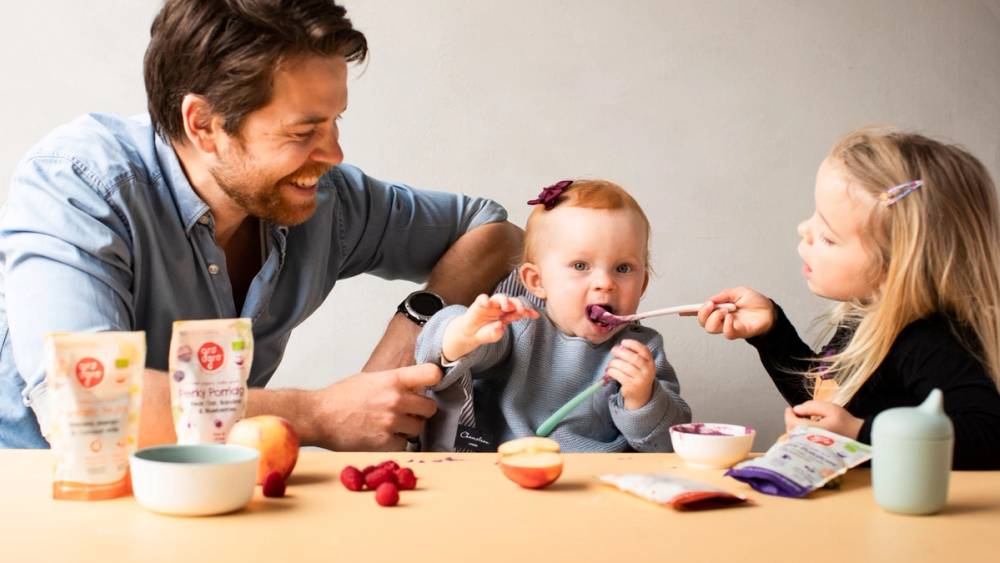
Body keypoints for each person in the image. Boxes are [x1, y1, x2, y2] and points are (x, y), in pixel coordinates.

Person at [0, 0, 522, 450]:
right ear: (203, 124)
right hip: (40, 502)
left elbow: (494, 232)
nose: (334, 153)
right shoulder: (80, 184)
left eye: (336, 119)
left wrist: (414, 322)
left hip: (214, 501)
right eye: (304, 131)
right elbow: (85, 402)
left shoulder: (327, 199)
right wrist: (316, 415)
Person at [696, 127, 1000, 469]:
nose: (803, 229)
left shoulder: (930, 342)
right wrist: (772, 333)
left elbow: (988, 436)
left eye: (828, 236)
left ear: (895, 265)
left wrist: (860, 432)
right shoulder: (863, 319)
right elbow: (828, 404)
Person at [415, 179, 691, 452]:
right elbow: (435, 355)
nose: (605, 283)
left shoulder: (642, 351)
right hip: (509, 474)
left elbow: (669, 444)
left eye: (623, 268)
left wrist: (643, 399)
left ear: (642, 284)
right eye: (581, 265)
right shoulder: (521, 325)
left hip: (598, 483)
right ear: (537, 281)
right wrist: (463, 334)